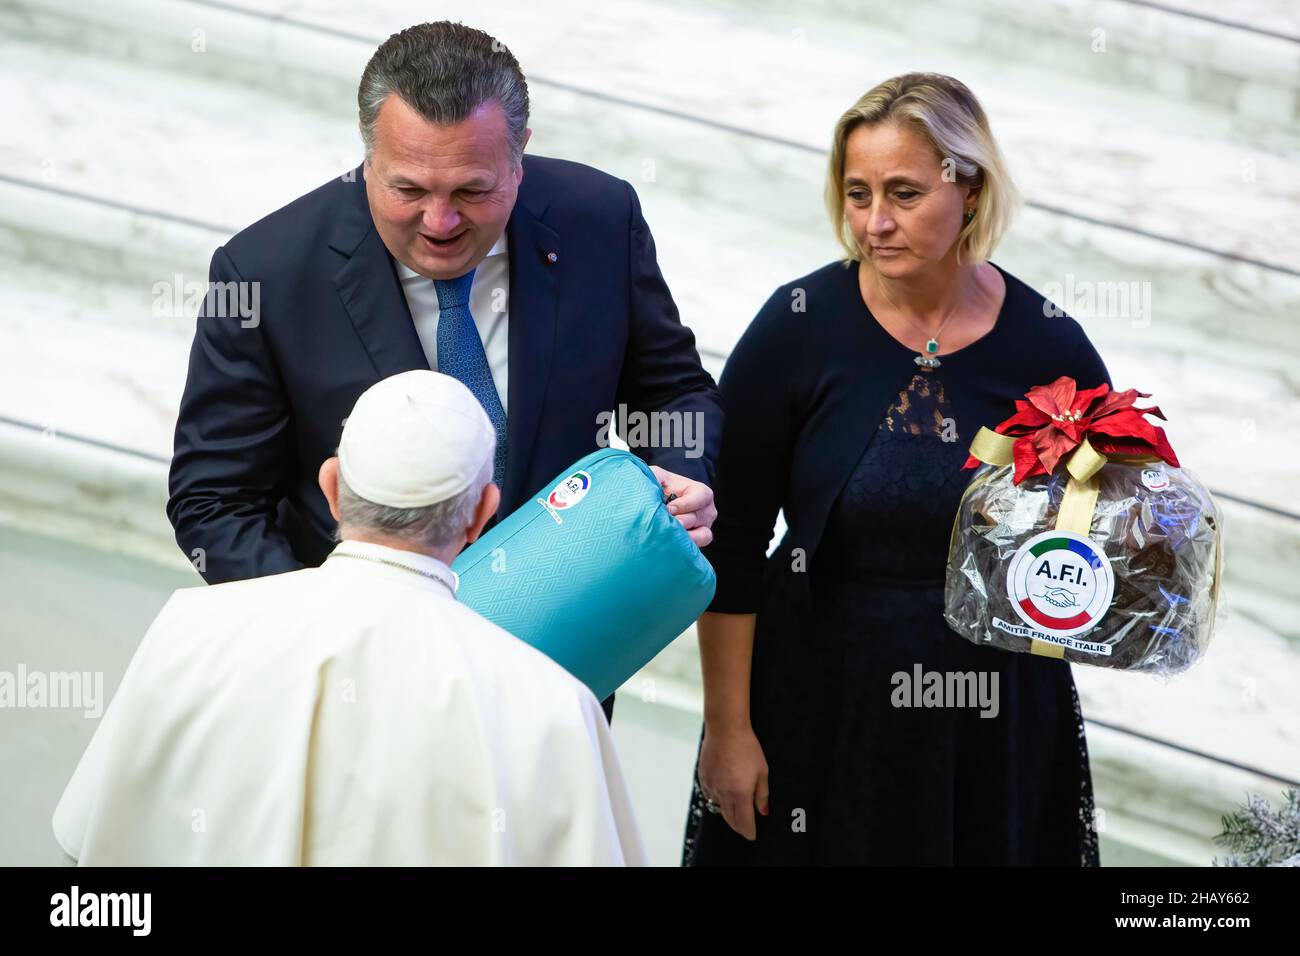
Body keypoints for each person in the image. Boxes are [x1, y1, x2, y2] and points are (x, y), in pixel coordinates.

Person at [166, 21, 722, 722]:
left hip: (555, 673)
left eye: (471, 190)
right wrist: (327, 639)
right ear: (368, 156)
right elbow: (214, 502)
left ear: (520, 156)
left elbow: (673, 391)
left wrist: (685, 475)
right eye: (409, 188)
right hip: (357, 692)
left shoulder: (599, 219)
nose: (438, 220)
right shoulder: (265, 274)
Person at [683, 73, 1108, 865]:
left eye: (904, 194)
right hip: (819, 702)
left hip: (994, 718)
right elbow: (731, 544)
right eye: (857, 194)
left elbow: (1104, 531)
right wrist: (729, 730)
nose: (874, 223)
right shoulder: (798, 327)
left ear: (969, 190)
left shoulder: (1049, 345)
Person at [55, 371, 647, 866]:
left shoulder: (188, 630)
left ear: (332, 488)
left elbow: (87, 853)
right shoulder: (551, 706)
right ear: (482, 515)